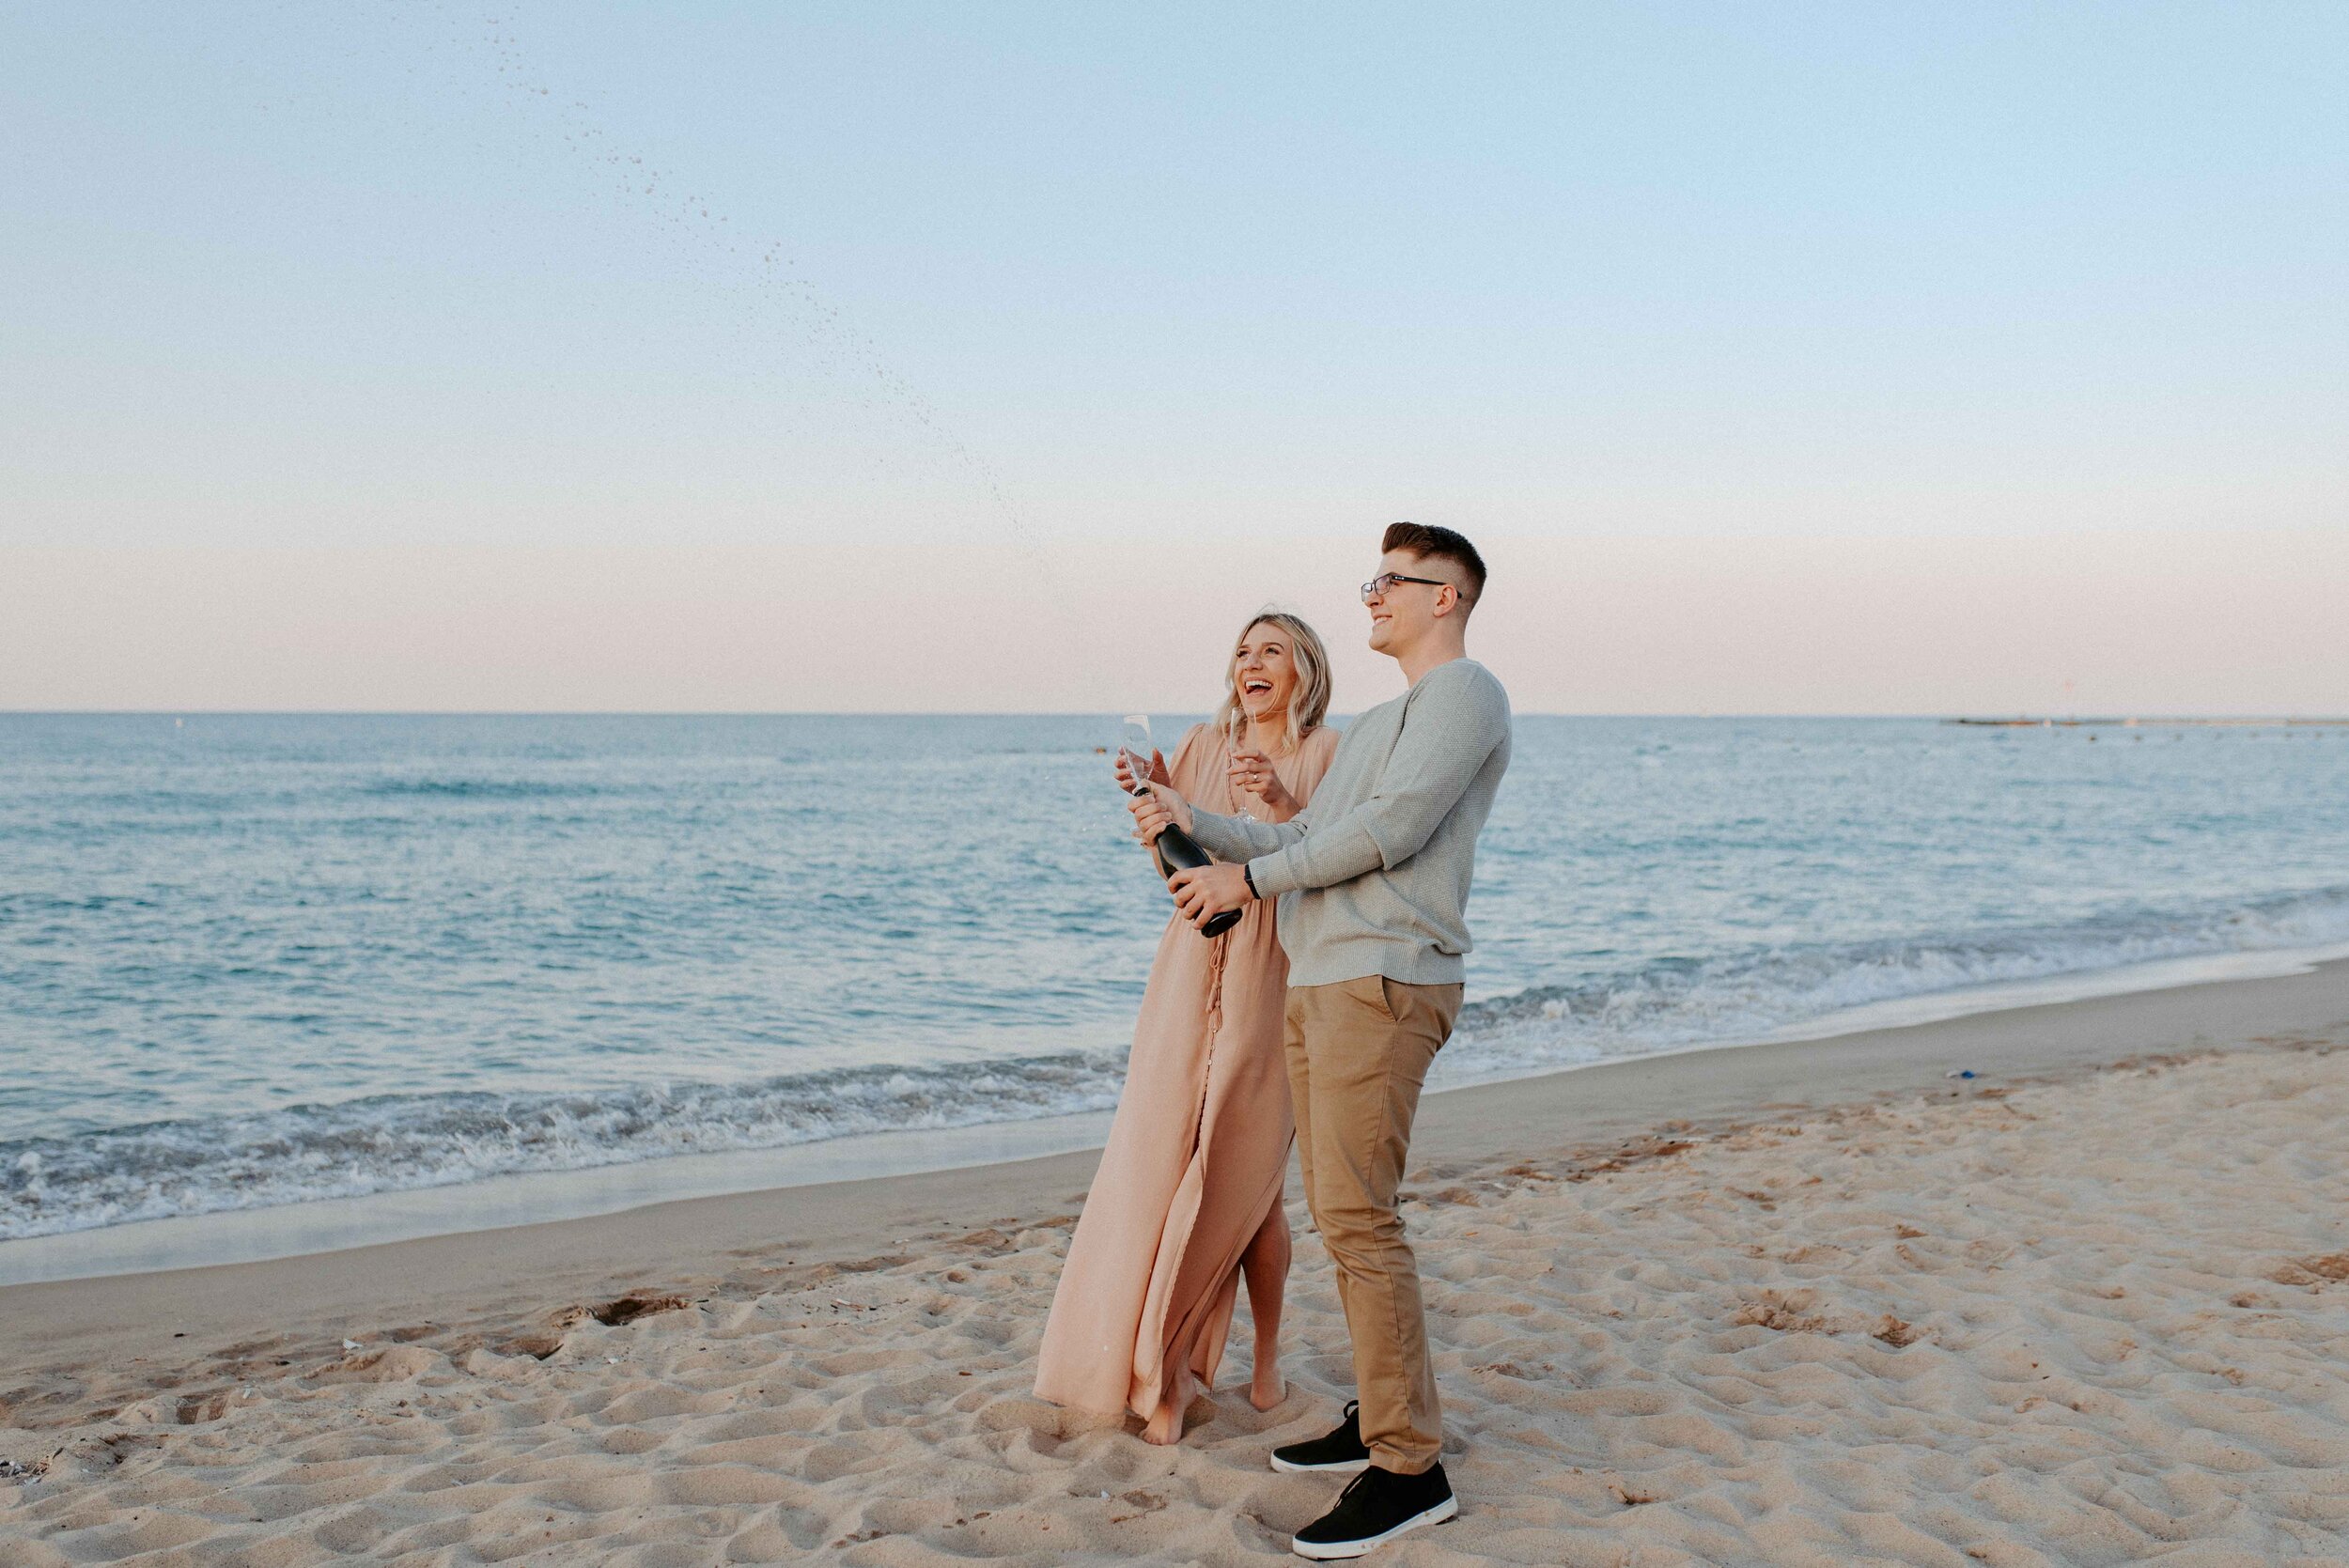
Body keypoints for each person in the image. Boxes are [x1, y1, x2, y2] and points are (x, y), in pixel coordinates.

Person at [1129, 523, 1511, 1560]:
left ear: (1449, 597)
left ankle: (1408, 1467)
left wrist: (1239, 881)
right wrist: (1191, 819)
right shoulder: (1392, 714)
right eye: (1372, 578)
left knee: (1360, 1220)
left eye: (1395, 580)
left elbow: (1384, 836)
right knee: (1346, 1218)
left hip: (1382, 982)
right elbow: (1304, 838)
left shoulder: (1465, 694)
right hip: (1328, 976)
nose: (1374, 594)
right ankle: (1382, 1414)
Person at [1034, 612, 1341, 1444]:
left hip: (1275, 966)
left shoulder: (1327, 753)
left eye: (1271, 650)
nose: (1253, 662)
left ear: (1304, 668)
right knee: (1166, 1156)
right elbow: (1171, 872)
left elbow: (1324, 857)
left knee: (1248, 1176)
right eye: (1243, 650)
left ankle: (1267, 1359)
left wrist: (1279, 797)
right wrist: (1157, 809)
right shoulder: (1200, 745)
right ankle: (1158, 1370)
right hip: (1187, 966)